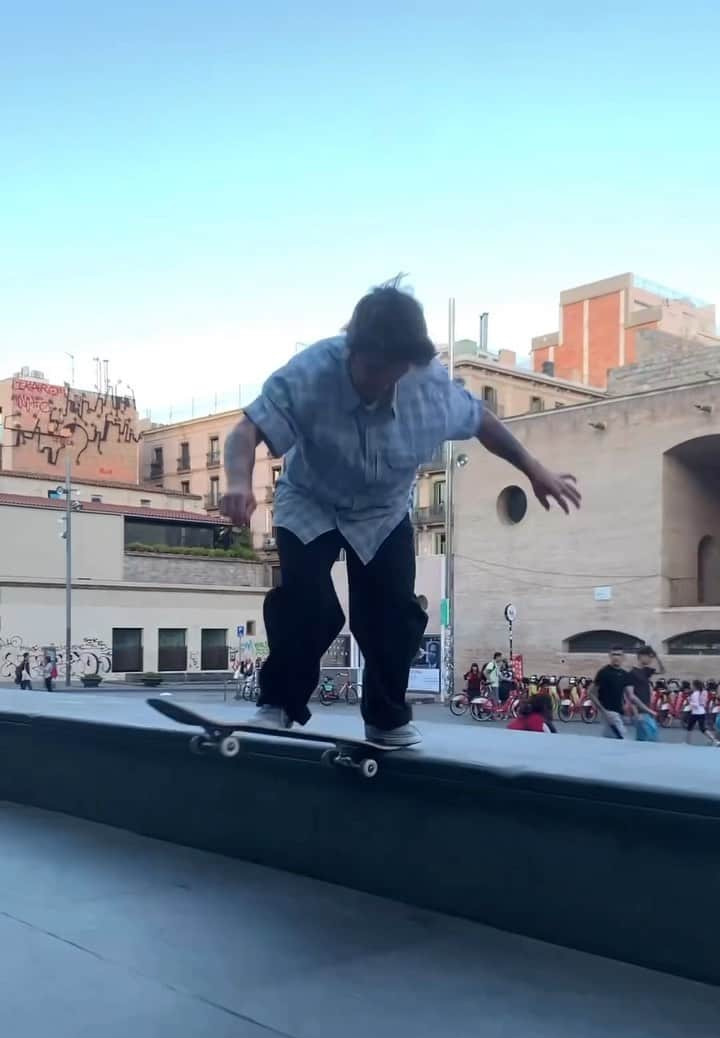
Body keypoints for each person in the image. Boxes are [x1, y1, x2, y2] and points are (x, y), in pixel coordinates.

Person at [221, 281, 581, 746]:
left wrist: (534, 469)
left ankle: (386, 718)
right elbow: (244, 432)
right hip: (310, 500)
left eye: (390, 371)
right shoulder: (309, 373)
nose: (376, 383)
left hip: (381, 510)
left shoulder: (429, 388)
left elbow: (484, 424)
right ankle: (277, 703)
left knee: (392, 615)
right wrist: (234, 482)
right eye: (369, 367)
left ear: (408, 363)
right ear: (351, 348)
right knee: (306, 606)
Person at [589, 647, 630, 739]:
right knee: (622, 737)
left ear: (623, 657)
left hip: (619, 712)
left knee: (611, 739)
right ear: (610, 656)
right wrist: (604, 711)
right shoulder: (604, 672)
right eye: (614, 654)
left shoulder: (624, 674)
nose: (616, 657)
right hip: (609, 712)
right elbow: (591, 692)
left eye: (619, 655)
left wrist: (627, 708)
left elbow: (628, 694)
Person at [626, 644, 662, 741]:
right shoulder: (632, 673)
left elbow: (662, 670)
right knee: (648, 741)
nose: (651, 660)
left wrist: (657, 657)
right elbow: (631, 696)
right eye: (649, 657)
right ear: (641, 656)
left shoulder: (646, 671)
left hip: (646, 712)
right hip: (640, 713)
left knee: (647, 741)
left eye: (652, 657)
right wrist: (636, 714)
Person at [685, 680, 719, 746]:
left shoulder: (695, 694)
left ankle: (687, 742)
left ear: (695, 686)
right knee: (702, 728)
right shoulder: (703, 692)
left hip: (696, 713)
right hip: (701, 712)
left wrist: (689, 701)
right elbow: (703, 702)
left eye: (692, 685)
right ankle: (715, 740)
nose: (691, 687)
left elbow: (696, 705)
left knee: (690, 727)